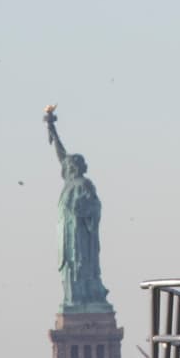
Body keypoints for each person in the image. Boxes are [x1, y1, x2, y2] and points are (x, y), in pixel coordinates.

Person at [44, 106, 111, 312]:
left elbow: (95, 208)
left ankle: (87, 295)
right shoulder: (70, 182)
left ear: (78, 168)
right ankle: (75, 298)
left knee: (80, 265)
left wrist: (83, 210)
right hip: (67, 235)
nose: (67, 166)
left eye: (72, 165)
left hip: (82, 239)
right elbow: (61, 154)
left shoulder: (84, 185)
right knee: (70, 268)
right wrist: (52, 129)